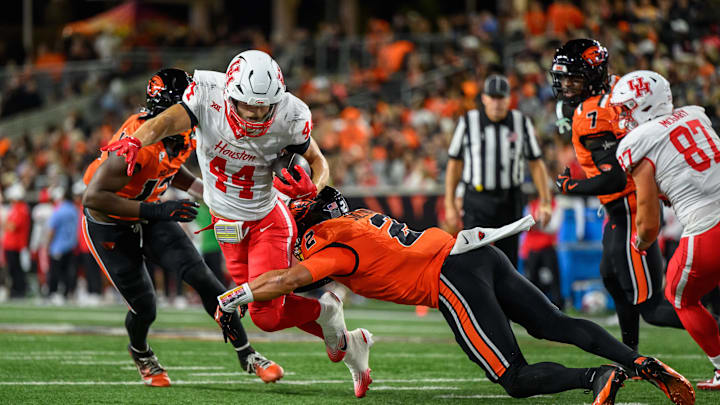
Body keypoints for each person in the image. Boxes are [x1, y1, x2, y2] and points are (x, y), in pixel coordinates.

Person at [216, 186, 695, 405]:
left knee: (514, 376)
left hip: (449, 278)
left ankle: (598, 377)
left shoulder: (329, 242)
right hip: (478, 254)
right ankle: (642, 363)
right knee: (553, 322)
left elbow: (288, 279)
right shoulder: (356, 218)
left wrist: (237, 294)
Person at [101, 51, 348, 372]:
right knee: (255, 308)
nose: (256, 115)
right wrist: (136, 140)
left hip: (264, 216)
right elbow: (163, 123)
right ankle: (332, 321)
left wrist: (312, 190)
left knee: (265, 315)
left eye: (264, 107)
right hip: (224, 220)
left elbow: (319, 161)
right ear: (230, 93)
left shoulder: (292, 115)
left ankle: (320, 316)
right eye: (248, 105)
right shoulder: (206, 95)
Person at [82, 68, 282, 387]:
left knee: (205, 279)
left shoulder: (183, 133)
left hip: (150, 214)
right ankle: (141, 351)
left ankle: (247, 354)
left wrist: (209, 194)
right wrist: (160, 209)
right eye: (187, 102)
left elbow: (168, 169)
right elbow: (94, 197)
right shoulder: (138, 142)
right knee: (145, 306)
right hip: (110, 225)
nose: (195, 107)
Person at [549, 38, 684, 350]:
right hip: (623, 207)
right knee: (613, 280)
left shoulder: (594, 114)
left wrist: (572, 187)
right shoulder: (618, 89)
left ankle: (710, 331)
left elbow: (614, 177)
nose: (567, 86)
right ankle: (630, 355)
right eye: (563, 78)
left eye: (574, 78)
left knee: (651, 307)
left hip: (632, 206)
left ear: (593, 76)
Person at [613, 70, 720, 390]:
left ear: (645, 106)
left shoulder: (638, 143)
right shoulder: (695, 116)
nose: (621, 116)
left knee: (678, 294)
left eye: (626, 108)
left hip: (709, 226)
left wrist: (641, 242)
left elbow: (648, 220)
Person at [445, 73, 552, 267]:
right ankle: (476, 297)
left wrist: (545, 201)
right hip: (476, 199)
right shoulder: (469, 122)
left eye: (501, 97)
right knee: (473, 258)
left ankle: (504, 298)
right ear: (484, 98)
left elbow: (536, 163)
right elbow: (454, 164)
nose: (496, 103)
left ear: (509, 99)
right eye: (492, 97)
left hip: (510, 198)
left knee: (508, 261)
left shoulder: (521, 122)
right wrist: (450, 203)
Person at [47, 185, 79, 304]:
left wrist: (48, 244)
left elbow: (51, 230)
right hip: (71, 245)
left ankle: (53, 293)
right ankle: (66, 293)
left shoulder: (59, 210)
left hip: (58, 246)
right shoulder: (74, 210)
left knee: (54, 271)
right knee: (67, 272)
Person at [2, 184, 30, 299]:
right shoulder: (17, 208)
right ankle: (16, 290)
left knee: (16, 269)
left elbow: (12, 226)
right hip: (11, 245)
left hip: (15, 245)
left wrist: (4, 224)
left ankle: (18, 291)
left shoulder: (20, 209)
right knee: (14, 269)